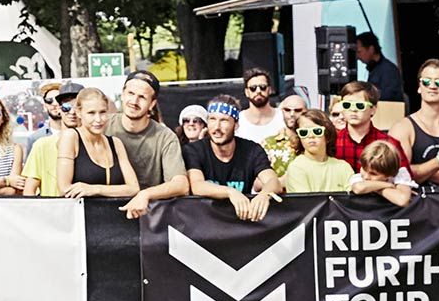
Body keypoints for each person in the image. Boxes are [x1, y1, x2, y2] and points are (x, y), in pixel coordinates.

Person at [184, 96, 282, 221]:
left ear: (236, 125)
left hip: (241, 223)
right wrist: (231, 192)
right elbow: (197, 186)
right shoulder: (194, 150)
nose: (217, 127)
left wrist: (264, 194)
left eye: (224, 120)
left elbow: (273, 181)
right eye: (212, 119)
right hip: (204, 223)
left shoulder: (252, 149)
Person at [108, 72, 188, 219]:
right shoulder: (102, 126)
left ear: (152, 104)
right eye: (131, 93)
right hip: (103, 211)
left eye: (142, 97)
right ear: (123, 94)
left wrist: (145, 194)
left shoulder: (165, 137)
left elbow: (181, 184)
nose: (134, 101)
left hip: (148, 216)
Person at [58, 88, 140, 199]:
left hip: (114, 213)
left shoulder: (115, 143)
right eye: (91, 113)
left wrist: (94, 189)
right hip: (82, 214)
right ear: (78, 113)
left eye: (102, 112)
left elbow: (134, 188)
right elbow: (64, 189)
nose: (98, 119)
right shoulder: (71, 137)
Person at [330, 82, 409, 172]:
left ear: (373, 109)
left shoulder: (390, 144)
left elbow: (404, 180)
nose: (353, 109)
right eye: (347, 105)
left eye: (360, 105)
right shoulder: (332, 143)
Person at [24, 82, 84, 196]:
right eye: (66, 107)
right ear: (60, 109)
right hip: (51, 211)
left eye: (78, 107)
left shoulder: (98, 143)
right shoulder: (41, 145)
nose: (72, 112)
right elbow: (29, 191)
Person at [283, 110, 353, 193]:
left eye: (317, 131)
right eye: (304, 132)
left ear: (328, 134)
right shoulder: (296, 167)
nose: (311, 136)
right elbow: (305, 204)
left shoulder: (343, 167)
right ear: (298, 137)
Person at [350, 141, 413, 207]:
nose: (366, 177)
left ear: (389, 175)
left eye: (373, 174)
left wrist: (373, 188)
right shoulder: (358, 178)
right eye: (364, 169)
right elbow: (359, 188)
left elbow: (402, 201)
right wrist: (389, 185)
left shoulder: (399, 175)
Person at [260, 92, 304, 178]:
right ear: (282, 112)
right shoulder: (268, 144)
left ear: (306, 112)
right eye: (287, 110)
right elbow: (257, 183)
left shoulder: (314, 139)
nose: (292, 114)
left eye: (298, 110)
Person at [236, 68, 285, 144]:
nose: (258, 91)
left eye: (263, 87)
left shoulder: (283, 117)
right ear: (246, 92)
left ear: (270, 90)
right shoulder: (238, 120)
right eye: (253, 88)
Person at [356, 32, 405, 104]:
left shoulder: (388, 70)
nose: (357, 56)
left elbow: (387, 97)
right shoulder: (374, 69)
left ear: (371, 49)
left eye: (359, 52)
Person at [26, 82, 66, 149]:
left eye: (58, 100)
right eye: (49, 100)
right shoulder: (35, 138)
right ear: (44, 106)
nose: (55, 104)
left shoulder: (79, 133)